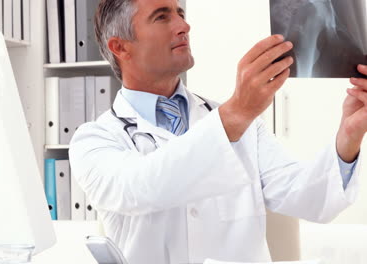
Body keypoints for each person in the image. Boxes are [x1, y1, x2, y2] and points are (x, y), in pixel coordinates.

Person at [69, 0, 367, 263]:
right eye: (162, 17)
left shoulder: (241, 124)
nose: (183, 25)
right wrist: (237, 112)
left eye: (180, 13)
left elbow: (313, 200)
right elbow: (141, 188)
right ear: (120, 47)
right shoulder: (94, 140)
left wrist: (349, 135)